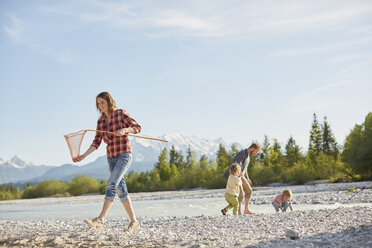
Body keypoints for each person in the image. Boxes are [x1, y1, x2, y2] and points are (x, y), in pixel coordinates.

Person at [73, 92, 141, 232]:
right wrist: (83, 156)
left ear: (109, 102)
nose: (100, 106)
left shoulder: (120, 113)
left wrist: (125, 129)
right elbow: (96, 142)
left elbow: (137, 128)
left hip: (124, 155)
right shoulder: (100, 122)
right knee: (121, 190)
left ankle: (100, 219)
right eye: (98, 103)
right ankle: (134, 222)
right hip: (111, 158)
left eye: (102, 102)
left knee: (111, 185)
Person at [222, 143, 261, 215]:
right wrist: (240, 178)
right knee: (240, 194)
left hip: (241, 176)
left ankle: (246, 210)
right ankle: (239, 212)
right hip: (235, 177)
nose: (256, 153)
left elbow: (244, 168)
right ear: (253, 148)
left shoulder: (248, 156)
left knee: (249, 191)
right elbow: (236, 166)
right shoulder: (242, 154)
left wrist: (247, 178)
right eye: (256, 151)